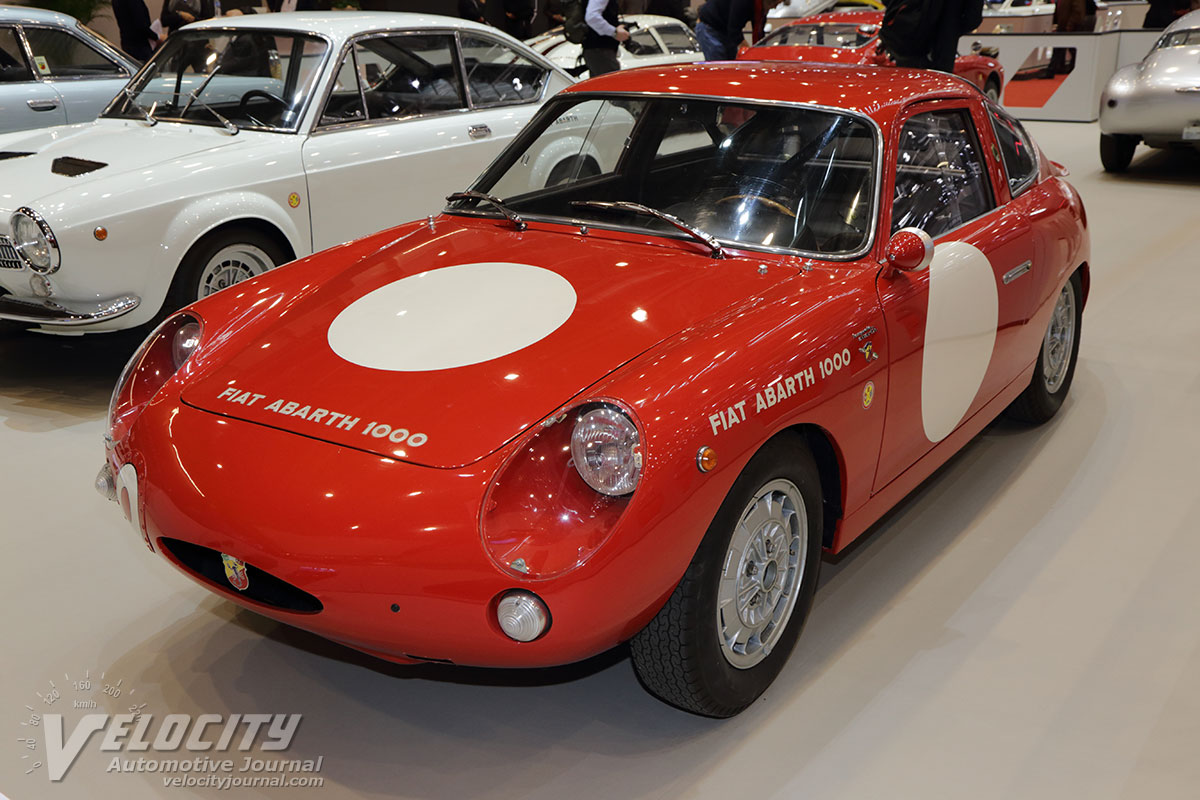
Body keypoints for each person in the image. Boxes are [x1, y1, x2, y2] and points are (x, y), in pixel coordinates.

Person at [695, 0, 771, 62]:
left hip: (725, 30)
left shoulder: (760, 10)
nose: (773, 7)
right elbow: (734, 30)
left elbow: (759, 35)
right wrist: (749, 52)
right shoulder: (744, 2)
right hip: (709, 27)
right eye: (774, 4)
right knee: (719, 66)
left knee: (731, 64)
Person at [582, 0, 630, 77]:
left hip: (598, 51)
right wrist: (614, 32)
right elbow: (592, 17)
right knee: (611, 82)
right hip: (601, 51)